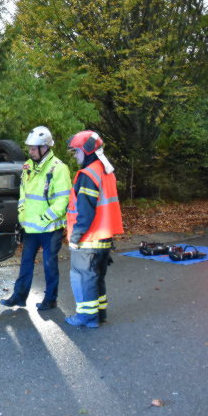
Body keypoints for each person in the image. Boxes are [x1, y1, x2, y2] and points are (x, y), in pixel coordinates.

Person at [0, 126, 71, 310]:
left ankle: (50, 299)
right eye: (29, 148)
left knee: (49, 264)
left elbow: (64, 199)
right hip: (31, 226)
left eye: (33, 148)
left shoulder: (59, 168)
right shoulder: (28, 167)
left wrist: (45, 217)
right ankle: (19, 296)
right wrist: (22, 214)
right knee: (25, 263)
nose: (30, 151)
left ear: (45, 148)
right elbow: (23, 194)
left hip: (50, 228)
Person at [64, 130, 123, 328]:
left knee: (82, 277)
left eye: (76, 152)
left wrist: (75, 237)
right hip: (104, 235)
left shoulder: (88, 175)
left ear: (86, 150)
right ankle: (99, 314)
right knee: (97, 276)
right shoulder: (105, 170)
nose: (75, 156)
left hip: (88, 238)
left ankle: (87, 317)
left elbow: (86, 212)